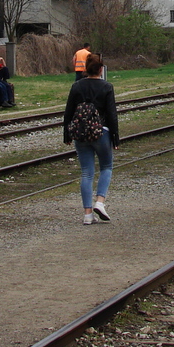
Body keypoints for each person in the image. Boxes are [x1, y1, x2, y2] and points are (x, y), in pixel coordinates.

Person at [63, 53, 119, 224]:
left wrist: (67, 134)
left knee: (86, 173)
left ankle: (88, 214)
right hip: (101, 132)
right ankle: (100, 202)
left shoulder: (76, 86)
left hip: (80, 133)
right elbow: (111, 114)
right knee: (106, 167)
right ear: (101, 70)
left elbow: (69, 111)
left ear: (86, 70)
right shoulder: (106, 87)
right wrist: (115, 137)